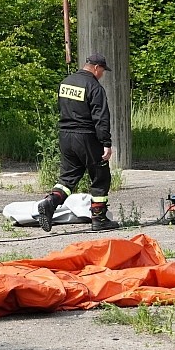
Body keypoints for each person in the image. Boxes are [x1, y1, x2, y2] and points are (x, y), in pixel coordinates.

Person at [36, 53, 119, 232]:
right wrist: (106, 142)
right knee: (100, 176)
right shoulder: (94, 86)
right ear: (96, 68)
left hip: (66, 135)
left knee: (68, 177)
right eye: (102, 71)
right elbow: (101, 117)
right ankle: (99, 219)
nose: (102, 75)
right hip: (86, 136)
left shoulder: (66, 82)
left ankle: (50, 203)